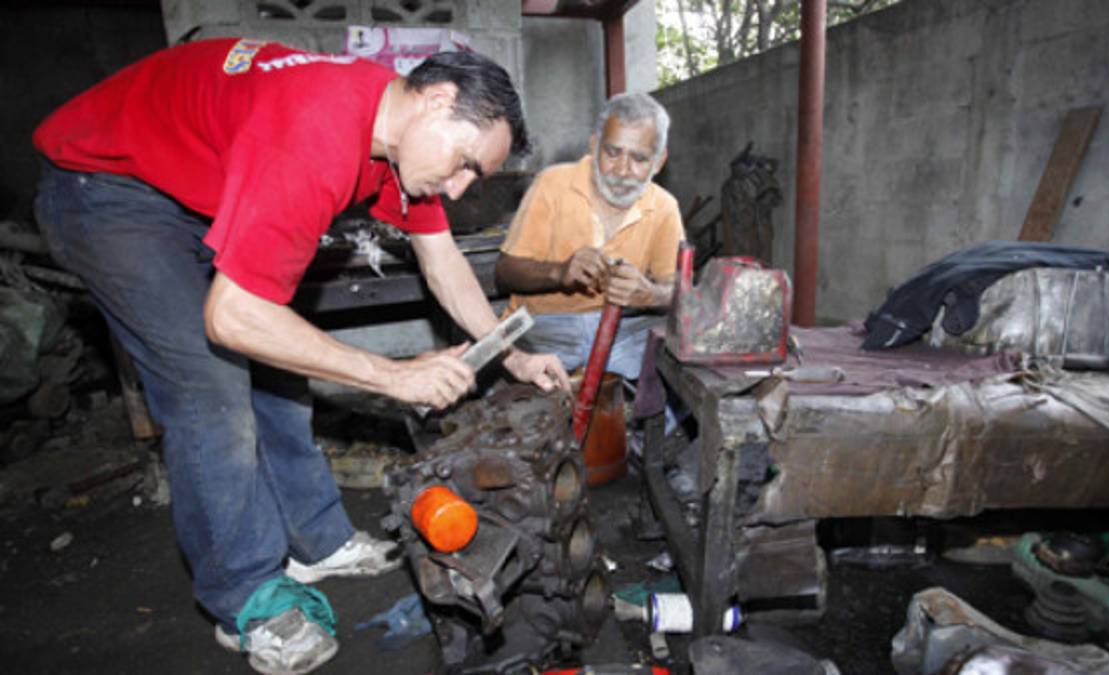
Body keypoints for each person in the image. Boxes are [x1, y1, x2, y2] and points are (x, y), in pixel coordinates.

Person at [32, 38, 568, 674]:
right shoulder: (317, 132)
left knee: (280, 361)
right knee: (209, 384)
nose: (456, 189)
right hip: (105, 190)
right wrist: (392, 376)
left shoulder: (392, 131)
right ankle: (246, 598)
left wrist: (512, 357)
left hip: (186, 188)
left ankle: (316, 540)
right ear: (437, 100)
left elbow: (442, 258)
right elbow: (232, 317)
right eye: (464, 164)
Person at [495, 93, 685, 387]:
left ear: (658, 162)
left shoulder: (664, 207)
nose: (622, 170)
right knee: (535, 405)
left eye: (639, 158)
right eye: (612, 153)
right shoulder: (552, 185)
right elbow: (504, 273)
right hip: (544, 328)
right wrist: (559, 272)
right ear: (595, 145)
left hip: (623, 330)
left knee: (674, 381)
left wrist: (651, 295)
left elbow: (680, 292)